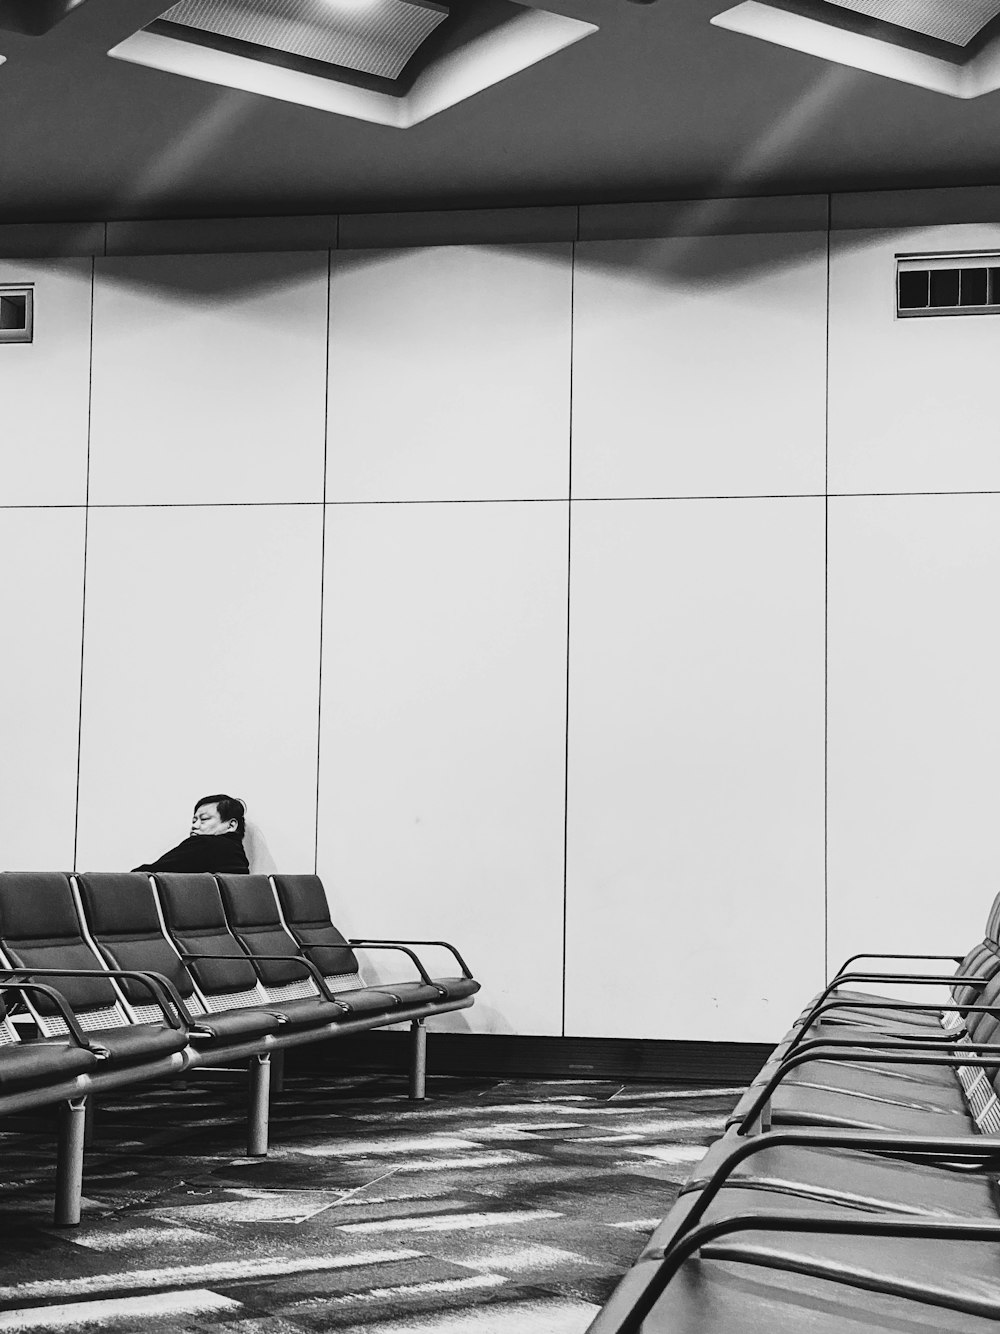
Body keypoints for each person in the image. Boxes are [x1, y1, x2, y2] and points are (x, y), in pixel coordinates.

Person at [132, 794, 250, 874]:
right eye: (194, 821)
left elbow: (150, 873)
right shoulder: (239, 857)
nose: (195, 825)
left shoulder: (204, 844)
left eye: (204, 819)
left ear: (231, 825)